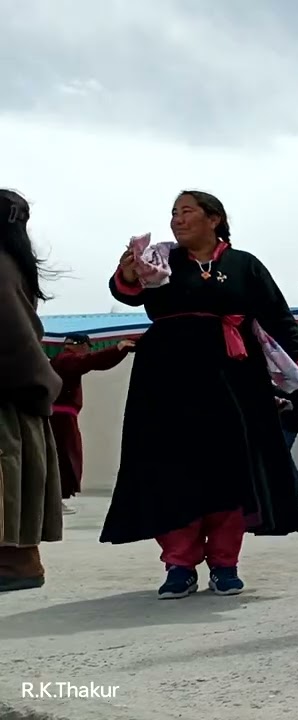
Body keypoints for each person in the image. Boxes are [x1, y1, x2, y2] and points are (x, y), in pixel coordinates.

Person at [104, 190, 298, 599]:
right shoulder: (160, 259)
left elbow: (277, 315)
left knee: (229, 469)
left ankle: (224, 562)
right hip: (166, 378)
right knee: (172, 468)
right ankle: (179, 565)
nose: (177, 220)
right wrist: (130, 273)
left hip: (233, 377)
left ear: (213, 219)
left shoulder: (244, 265)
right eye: (173, 213)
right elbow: (125, 291)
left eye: (187, 212)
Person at [0, 189, 63, 592]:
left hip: (11, 392)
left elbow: (13, 333)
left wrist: (39, 384)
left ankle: (16, 565)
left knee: (7, 474)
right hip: (19, 387)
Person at [49, 333, 135, 514]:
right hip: (61, 421)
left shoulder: (62, 360)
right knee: (63, 459)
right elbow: (92, 361)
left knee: (62, 458)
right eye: (87, 347)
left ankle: (55, 500)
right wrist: (117, 348)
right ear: (79, 345)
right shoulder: (67, 360)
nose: (88, 350)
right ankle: (54, 501)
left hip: (61, 419)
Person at [273, 386, 298, 496]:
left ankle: (296, 484)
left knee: (283, 454)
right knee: (283, 455)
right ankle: (295, 484)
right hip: (286, 426)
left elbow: (287, 395)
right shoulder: (297, 390)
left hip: (288, 427)